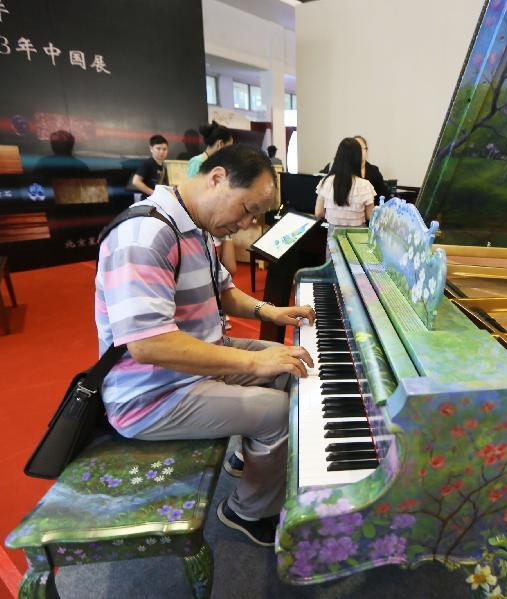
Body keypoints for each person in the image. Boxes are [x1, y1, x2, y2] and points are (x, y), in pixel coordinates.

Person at [95, 144, 315, 546]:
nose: (248, 223)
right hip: (151, 393)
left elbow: (224, 291)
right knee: (281, 412)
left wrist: (271, 312)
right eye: (248, 209)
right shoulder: (144, 235)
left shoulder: (192, 225)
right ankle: (246, 511)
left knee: (290, 371)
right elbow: (148, 345)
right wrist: (253, 364)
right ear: (217, 178)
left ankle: (248, 457)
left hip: (194, 367)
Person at [187, 122, 237, 286]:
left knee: (228, 268)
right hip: (206, 221)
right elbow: (194, 194)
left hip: (220, 217)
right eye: (229, 146)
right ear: (220, 144)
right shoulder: (197, 161)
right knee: (212, 269)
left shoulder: (220, 164)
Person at [315, 137, 376, 226]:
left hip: (333, 237)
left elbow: (319, 212)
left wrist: (333, 217)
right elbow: (370, 216)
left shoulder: (326, 182)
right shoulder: (365, 185)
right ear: (357, 158)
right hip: (357, 238)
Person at [321, 135, 389, 201]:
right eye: (355, 149)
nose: (357, 152)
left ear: (366, 151)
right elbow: (321, 179)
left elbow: (383, 195)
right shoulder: (338, 167)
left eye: (360, 148)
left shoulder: (374, 171)